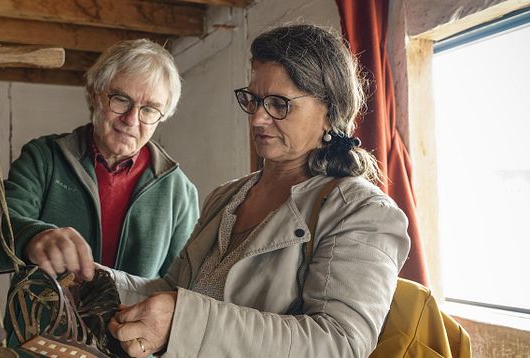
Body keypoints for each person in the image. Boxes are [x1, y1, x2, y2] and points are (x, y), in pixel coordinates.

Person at [30, 24, 411, 357]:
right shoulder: (228, 197)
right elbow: (170, 289)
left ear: (329, 110)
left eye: (279, 104)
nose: (258, 118)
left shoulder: (361, 213)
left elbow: (339, 344)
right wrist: (98, 279)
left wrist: (184, 322)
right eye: (254, 100)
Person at [0, 38, 199, 283]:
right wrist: (33, 237)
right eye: (121, 99)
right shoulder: (44, 158)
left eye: (149, 109)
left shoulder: (179, 192)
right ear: (95, 95)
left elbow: (181, 286)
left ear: (162, 117)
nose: (131, 120)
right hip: (43, 322)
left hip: (129, 322)